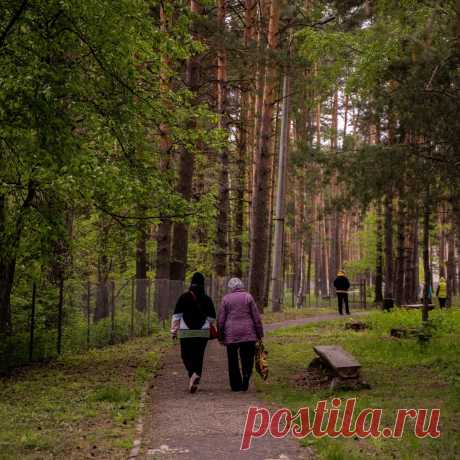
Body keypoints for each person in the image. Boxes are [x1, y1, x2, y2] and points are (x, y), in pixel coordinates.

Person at [171, 272, 216, 393]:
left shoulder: (184, 297)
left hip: (186, 332)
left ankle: (192, 374)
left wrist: (174, 331)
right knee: (198, 356)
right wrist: (203, 318)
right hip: (202, 332)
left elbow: (177, 316)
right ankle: (195, 376)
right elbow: (212, 318)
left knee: (185, 355)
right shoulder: (207, 299)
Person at [218, 278, 264, 392]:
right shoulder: (248, 297)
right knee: (247, 357)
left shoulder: (226, 299)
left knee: (232, 360)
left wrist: (221, 335)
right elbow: (256, 317)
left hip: (231, 334)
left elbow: (221, 319)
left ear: (230, 288)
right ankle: (246, 376)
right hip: (248, 333)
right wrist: (259, 333)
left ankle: (235, 385)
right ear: (241, 286)